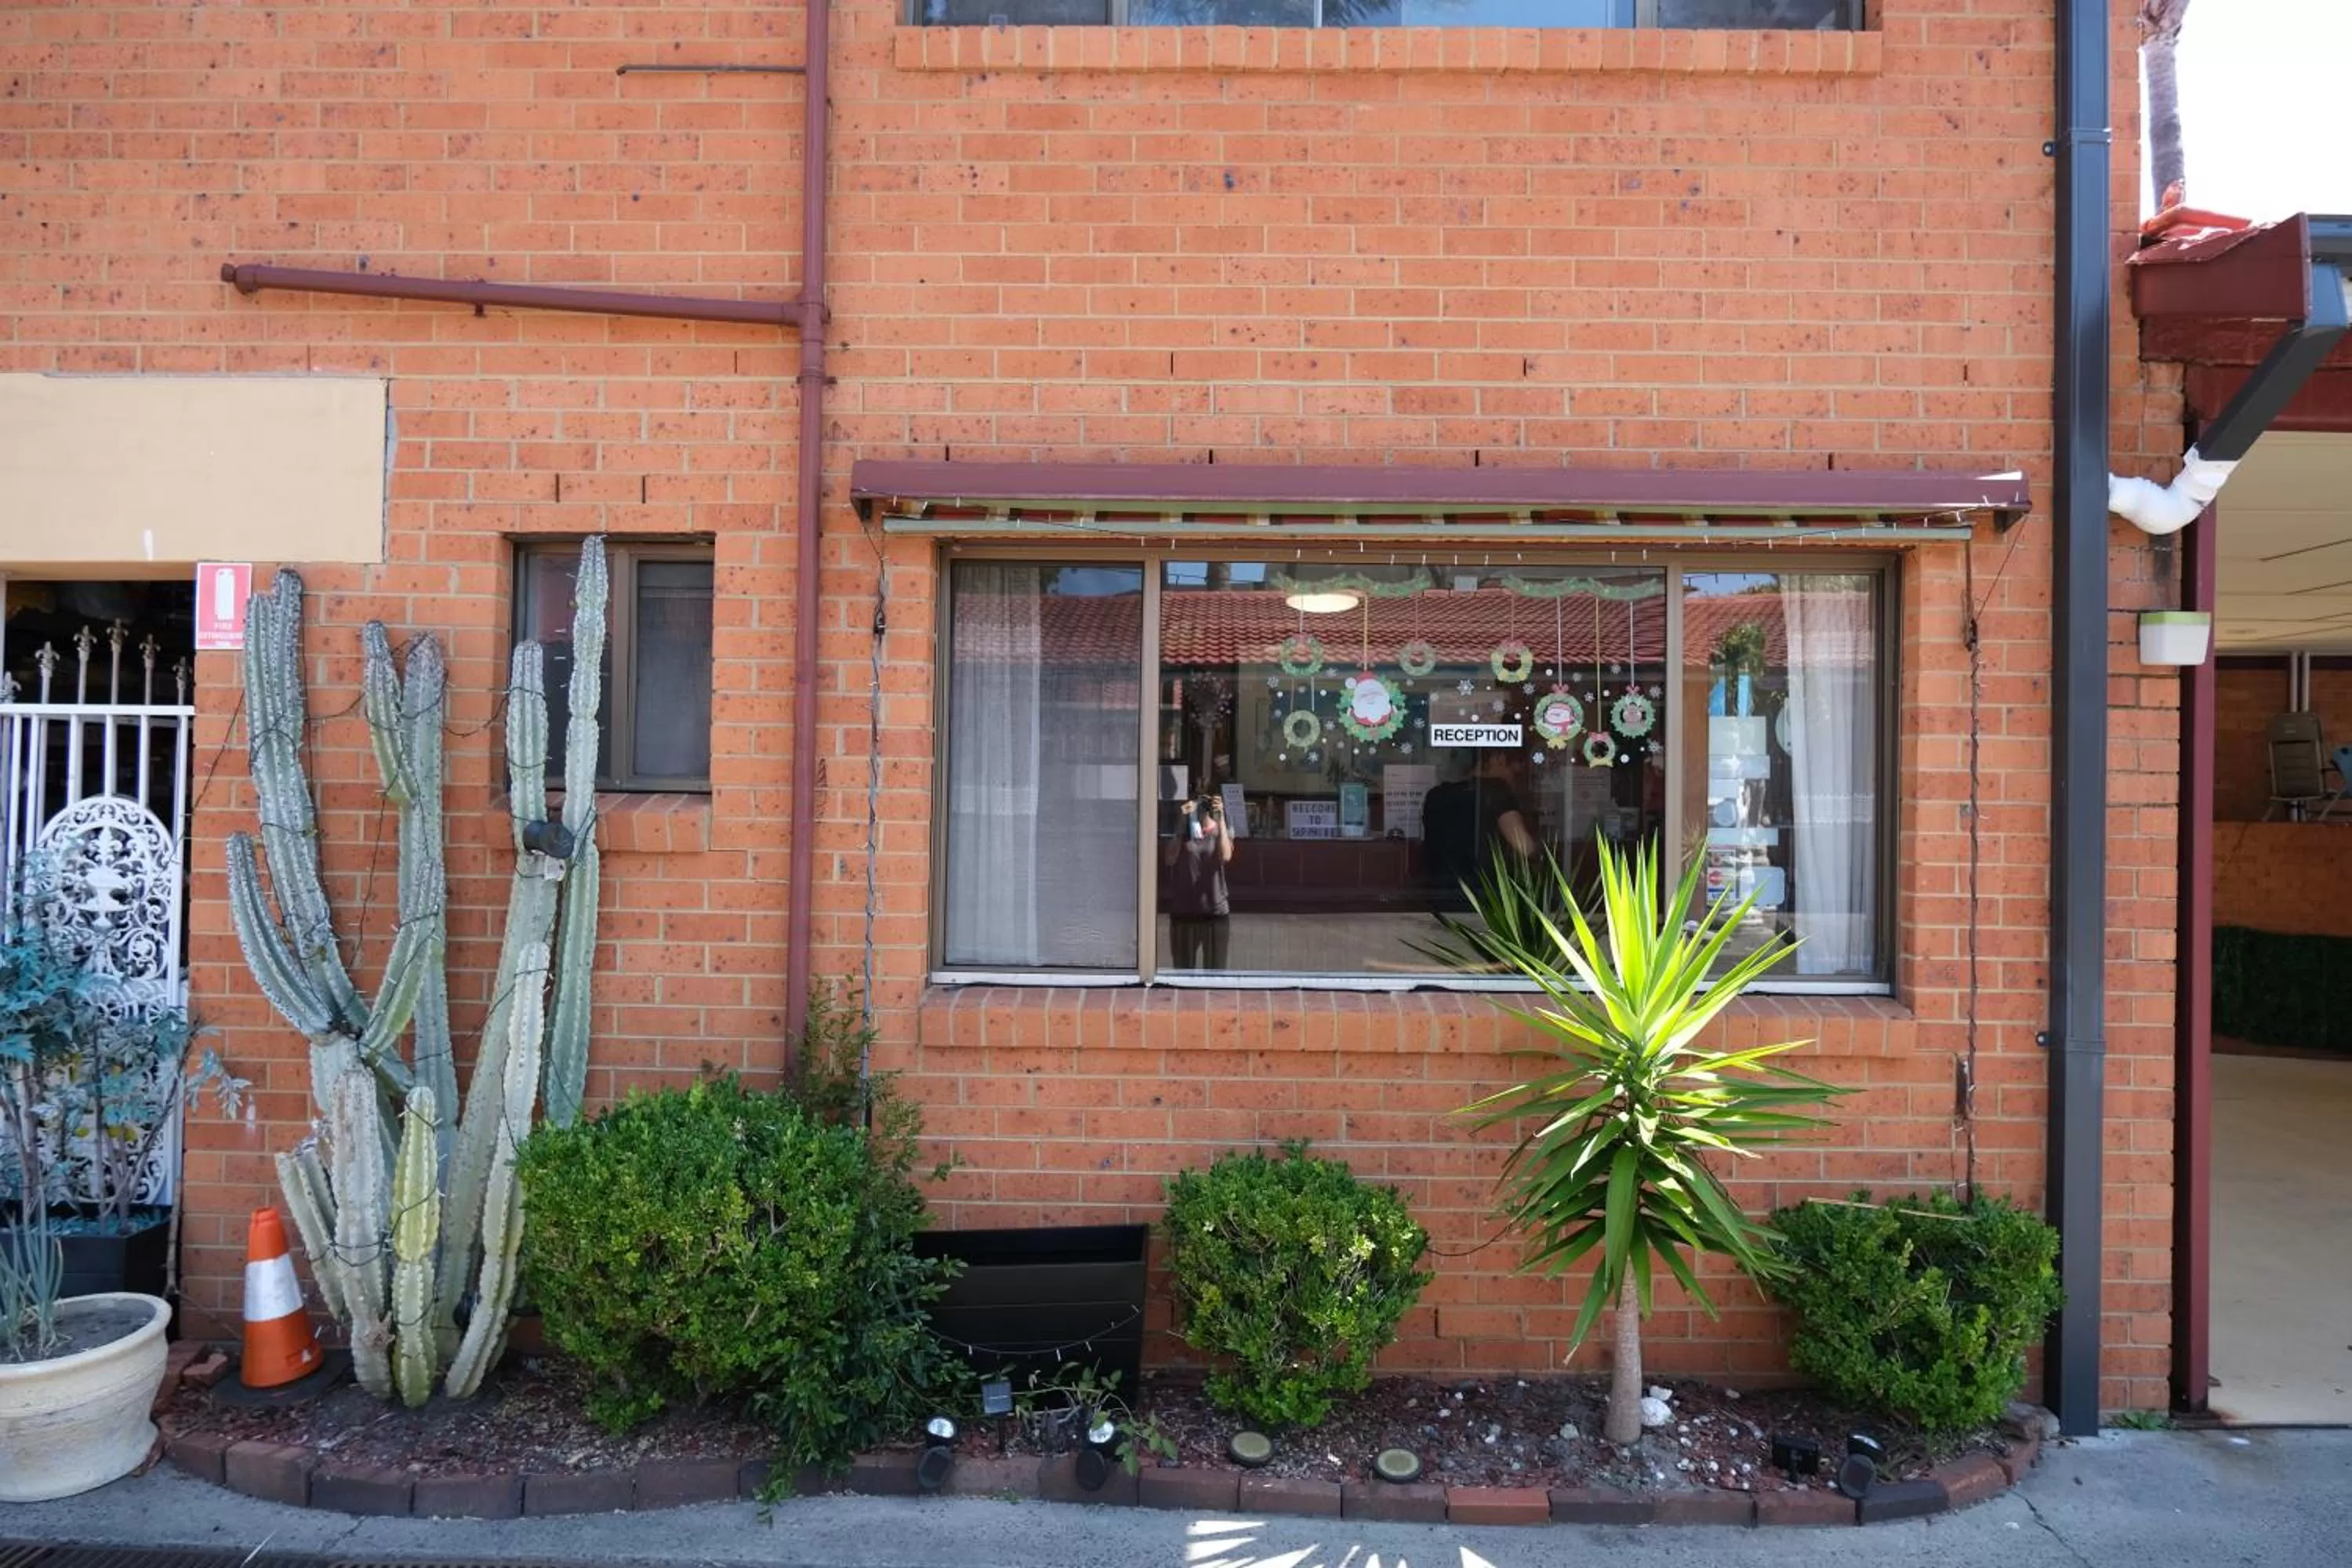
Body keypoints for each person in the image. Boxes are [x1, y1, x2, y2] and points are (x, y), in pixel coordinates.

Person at [1422, 748, 1538, 906]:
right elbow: (1525, 846)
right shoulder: (1496, 793)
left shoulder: (1435, 795)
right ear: (1498, 759)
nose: (1518, 773)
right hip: (1485, 894)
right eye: (1515, 768)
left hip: (1440, 891)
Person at [1163, 789, 1236, 969]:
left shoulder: (1221, 830)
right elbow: (1170, 859)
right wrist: (1181, 822)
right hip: (1184, 913)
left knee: (1216, 972)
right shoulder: (1183, 830)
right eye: (1198, 802)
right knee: (1182, 973)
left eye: (1206, 802)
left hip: (1215, 911)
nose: (1202, 806)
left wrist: (1221, 818)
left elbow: (1225, 856)